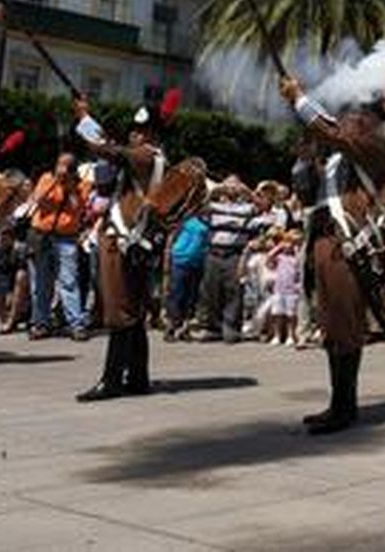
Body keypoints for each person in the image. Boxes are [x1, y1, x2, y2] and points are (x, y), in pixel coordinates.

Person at [280, 77, 385, 434]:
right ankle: (338, 403)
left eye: (359, 113)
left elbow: (331, 132)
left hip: (348, 249)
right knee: (332, 329)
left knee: (345, 328)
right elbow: (306, 192)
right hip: (325, 246)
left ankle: (346, 407)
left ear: (372, 121)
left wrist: (299, 99)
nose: (351, 118)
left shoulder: (371, 146)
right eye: (350, 112)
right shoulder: (336, 159)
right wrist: (305, 160)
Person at [73, 99, 165, 401]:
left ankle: (111, 380)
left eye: (140, 131)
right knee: (132, 312)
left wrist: (86, 118)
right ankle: (138, 376)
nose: (134, 135)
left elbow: (108, 151)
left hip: (124, 243)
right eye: (134, 131)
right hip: (133, 243)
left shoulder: (146, 156)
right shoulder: (146, 157)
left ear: (151, 134)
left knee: (118, 311)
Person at [27, 152, 90, 341]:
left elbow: (77, 207)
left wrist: (69, 185)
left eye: (67, 166)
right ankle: (40, 323)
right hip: (42, 236)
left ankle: (76, 324)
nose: (62, 169)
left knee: (69, 281)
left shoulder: (82, 185)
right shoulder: (47, 178)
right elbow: (39, 200)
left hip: (66, 238)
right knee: (41, 282)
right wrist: (56, 181)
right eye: (59, 165)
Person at [195, 177, 254, 343]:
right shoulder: (214, 206)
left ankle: (231, 327)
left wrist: (246, 190)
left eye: (234, 184)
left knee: (233, 291)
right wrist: (215, 191)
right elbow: (198, 209)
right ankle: (212, 328)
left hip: (234, 253)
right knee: (210, 290)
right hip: (213, 252)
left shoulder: (246, 208)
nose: (231, 187)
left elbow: (260, 206)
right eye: (228, 183)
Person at [165, 210, 208, 341]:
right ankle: (171, 327)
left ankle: (185, 327)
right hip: (180, 260)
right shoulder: (188, 222)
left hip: (196, 262)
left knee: (191, 297)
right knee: (177, 295)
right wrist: (167, 256)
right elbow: (172, 237)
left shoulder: (210, 226)